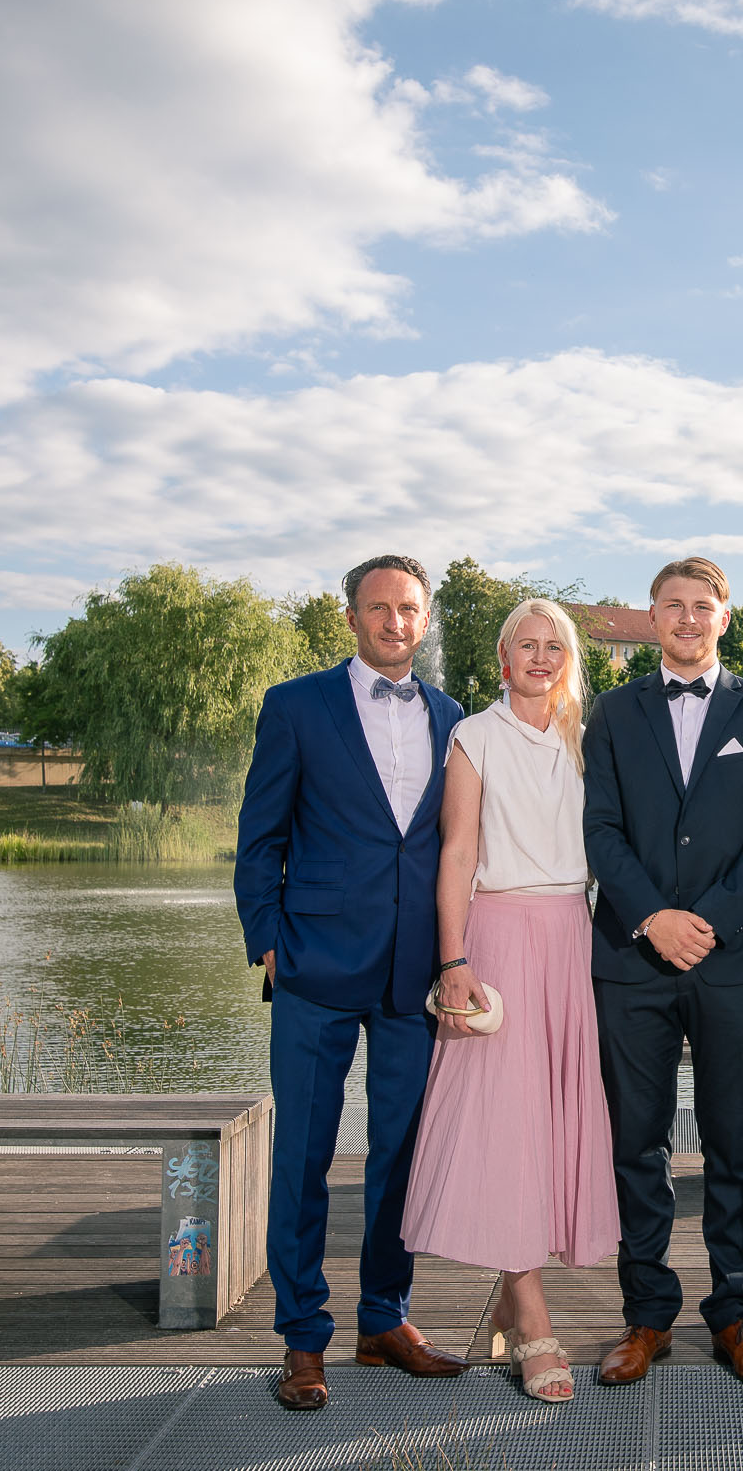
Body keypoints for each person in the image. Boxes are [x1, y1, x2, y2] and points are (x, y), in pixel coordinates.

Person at [235, 554, 471, 1412]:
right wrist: (268, 941)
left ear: (425, 618)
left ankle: (384, 1319)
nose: (395, 622)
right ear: (352, 617)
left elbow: (452, 844)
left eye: (409, 609)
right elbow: (260, 834)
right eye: (379, 608)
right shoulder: (296, 705)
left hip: (414, 973)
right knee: (302, 1156)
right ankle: (303, 1337)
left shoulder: (454, 718)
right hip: (314, 965)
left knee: (400, 1155)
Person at [584, 556, 743, 1389]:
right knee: (635, 1141)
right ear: (651, 616)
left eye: (701, 604)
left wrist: (705, 920)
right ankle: (647, 1315)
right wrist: (653, 918)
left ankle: (735, 1313)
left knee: (733, 1142)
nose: (686, 617)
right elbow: (600, 829)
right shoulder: (612, 712)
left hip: (732, 955)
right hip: (631, 957)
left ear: (724, 616)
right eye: (672, 604)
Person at [400, 599, 619, 1402]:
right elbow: (456, 852)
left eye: (553, 644)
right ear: (502, 657)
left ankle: (511, 1293)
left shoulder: (585, 739)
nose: (540, 656)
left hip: (570, 934)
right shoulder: (474, 736)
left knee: (551, 1122)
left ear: (569, 659)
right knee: (506, 1123)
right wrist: (453, 958)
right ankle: (530, 1313)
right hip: (497, 935)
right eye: (525, 644)